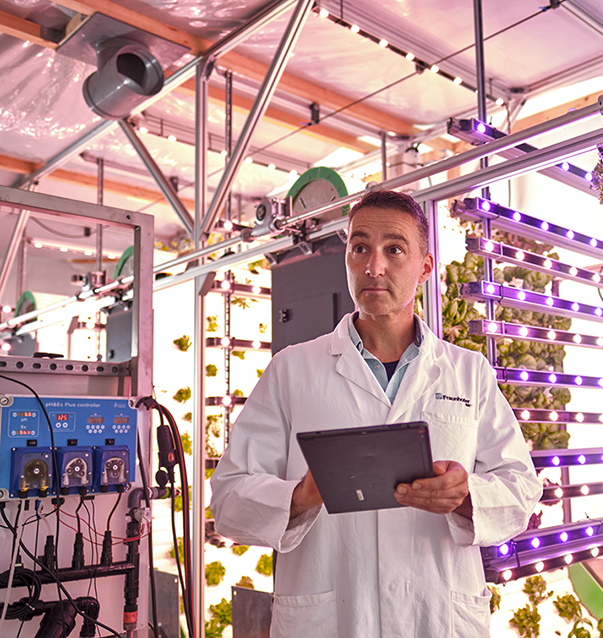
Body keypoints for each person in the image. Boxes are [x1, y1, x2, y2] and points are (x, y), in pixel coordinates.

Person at [210, 189, 542, 638]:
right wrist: (302, 496)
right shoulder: (292, 370)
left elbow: (520, 489)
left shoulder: (469, 373)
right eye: (360, 248)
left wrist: (466, 496)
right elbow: (229, 500)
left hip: (437, 614)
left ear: (425, 267)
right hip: (331, 618)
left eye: (395, 250)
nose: (374, 267)